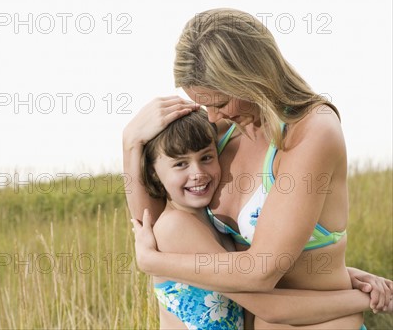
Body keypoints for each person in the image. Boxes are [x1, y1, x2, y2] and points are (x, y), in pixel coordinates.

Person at [123, 8, 393, 329]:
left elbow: (260, 272)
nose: (210, 117)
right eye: (204, 104)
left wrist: (154, 262)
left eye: (220, 103)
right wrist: (130, 144)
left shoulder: (312, 131)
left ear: (251, 79)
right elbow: (156, 223)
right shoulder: (223, 132)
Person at [140, 109, 383, 329]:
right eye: (180, 164)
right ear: (154, 172)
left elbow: (238, 268)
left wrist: (346, 274)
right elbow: (268, 306)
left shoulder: (211, 218)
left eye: (206, 157)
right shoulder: (175, 226)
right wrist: (368, 298)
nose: (198, 174)